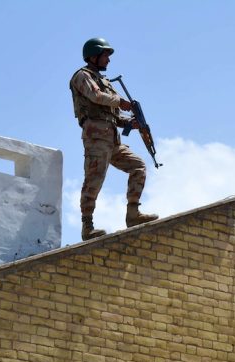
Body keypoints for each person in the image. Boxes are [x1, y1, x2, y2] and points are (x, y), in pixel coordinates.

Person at [70, 37, 158, 240]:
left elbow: (113, 115)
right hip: (96, 138)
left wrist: (130, 123)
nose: (108, 60)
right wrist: (121, 102)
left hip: (112, 140)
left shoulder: (106, 82)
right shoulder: (82, 76)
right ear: (93, 56)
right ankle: (87, 226)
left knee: (138, 166)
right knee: (95, 179)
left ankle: (133, 213)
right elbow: (96, 97)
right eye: (105, 56)